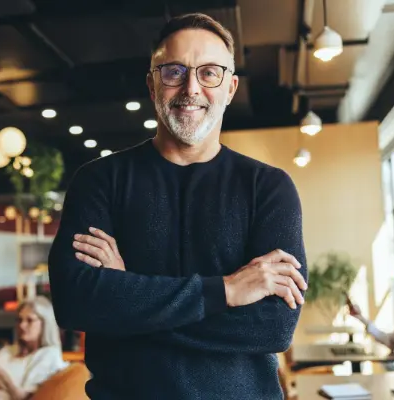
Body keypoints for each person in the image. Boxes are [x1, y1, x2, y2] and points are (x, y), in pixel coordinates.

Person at [48, 13, 308, 400]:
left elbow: (273, 328)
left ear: (231, 87)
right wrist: (227, 291)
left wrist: (127, 295)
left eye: (209, 73)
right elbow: (75, 303)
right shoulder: (99, 180)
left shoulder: (268, 188)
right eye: (173, 72)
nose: (191, 88)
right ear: (153, 85)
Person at [0, 297, 69, 400]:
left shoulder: (48, 355)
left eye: (29, 320)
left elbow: (23, 398)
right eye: (19, 320)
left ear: (45, 323)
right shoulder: (9, 350)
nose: (22, 325)